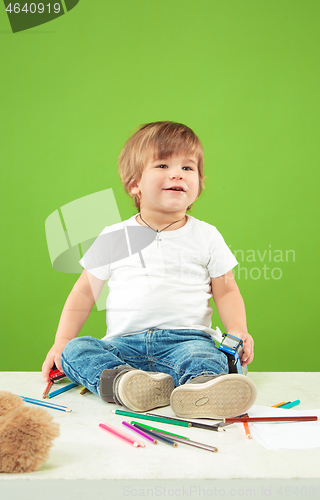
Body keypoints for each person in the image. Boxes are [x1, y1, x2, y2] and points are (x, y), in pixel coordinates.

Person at [42, 121, 256, 419]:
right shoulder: (114, 235)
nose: (177, 174)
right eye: (163, 164)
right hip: (122, 347)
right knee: (77, 351)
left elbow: (227, 289)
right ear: (135, 184)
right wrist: (61, 342)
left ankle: (201, 387)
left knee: (205, 356)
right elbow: (83, 293)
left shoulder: (206, 235)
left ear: (199, 184)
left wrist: (237, 330)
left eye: (187, 168)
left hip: (186, 340)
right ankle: (123, 383)